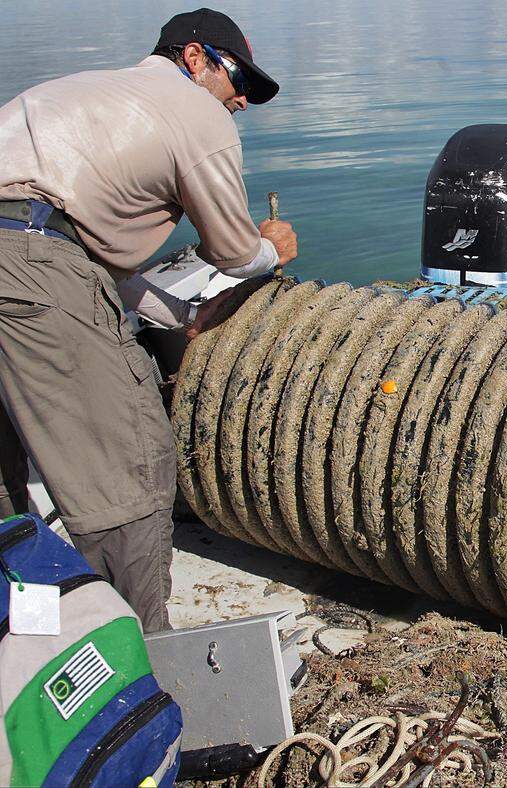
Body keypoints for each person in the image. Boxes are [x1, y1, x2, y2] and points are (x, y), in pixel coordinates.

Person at [0, 8, 298, 632]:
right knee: (128, 467)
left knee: (10, 465)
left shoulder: (77, 94)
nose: (242, 98)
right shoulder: (195, 114)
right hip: (31, 268)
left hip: (28, 261)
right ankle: (134, 656)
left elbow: (86, 265)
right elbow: (233, 252)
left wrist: (183, 316)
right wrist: (272, 247)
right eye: (238, 78)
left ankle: (19, 634)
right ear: (194, 59)